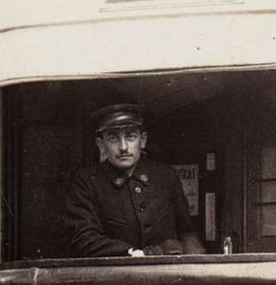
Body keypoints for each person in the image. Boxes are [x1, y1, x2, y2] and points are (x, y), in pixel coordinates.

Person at [62, 103, 205, 257]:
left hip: (165, 274)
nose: (123, 147)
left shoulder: (166, 176)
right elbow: (83, 238)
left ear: (142, 140)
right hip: (115, 277)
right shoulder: (87, 181)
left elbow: (186, 231)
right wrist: (131, 252)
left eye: (130, 137)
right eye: (113, 138)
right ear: (101, 145)